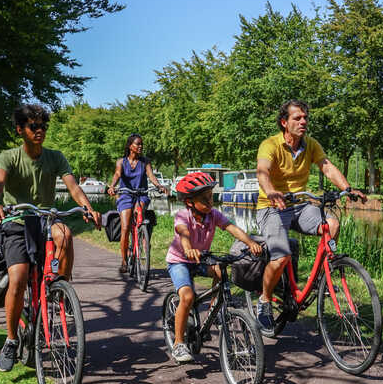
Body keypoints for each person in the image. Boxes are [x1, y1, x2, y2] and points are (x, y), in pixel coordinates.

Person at [0, 104, 101, 372]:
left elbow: (73, 186)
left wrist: (88, 207)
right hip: (16, 220)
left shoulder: (55, 156)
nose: (39, 132)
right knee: (19, 277)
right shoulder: (8, 157)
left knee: (65, 233)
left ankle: (60, 289)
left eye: (43, 127)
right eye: (33, 127)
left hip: (45, 219)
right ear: (20, 130)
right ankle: (12, 339)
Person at [255, 99, 367, 334]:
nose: (303, 121)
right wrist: (271, 191)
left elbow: (327, 166)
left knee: (332, 224)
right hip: (272, 206)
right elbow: (262, 171)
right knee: (281, 256)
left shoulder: (311, 145)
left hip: (300, 205)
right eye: (297, 118)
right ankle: (264, 301)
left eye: (305, 117)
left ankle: (320, 278)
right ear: (284, 122)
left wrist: (347, 188)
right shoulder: (270, 145)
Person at [166, 172, 262, 363]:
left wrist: (250, 242)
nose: (210, 202)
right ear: (190, 202)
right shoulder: (183, 216)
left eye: (211, 197)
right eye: (204, 199)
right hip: (180, 261)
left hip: (201, 259)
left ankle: (214, 312)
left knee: (221, 270)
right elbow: (183, 232)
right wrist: (188, 248)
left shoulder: (212, 215)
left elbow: (231, 228)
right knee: (187, 296)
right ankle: (178, 344)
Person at [106, 133, 169, 273]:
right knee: (125, 226)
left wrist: (159, 186)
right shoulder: (121, 162)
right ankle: (123, 260)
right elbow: (117, 174)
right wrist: (112, 186)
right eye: (138, 144)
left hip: (141, 195)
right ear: (130, 146)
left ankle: (141, 235)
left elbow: (151, 175)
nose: (140, 146)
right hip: (125, 195)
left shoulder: (145, 162)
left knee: (138, 211)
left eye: (142, 144)